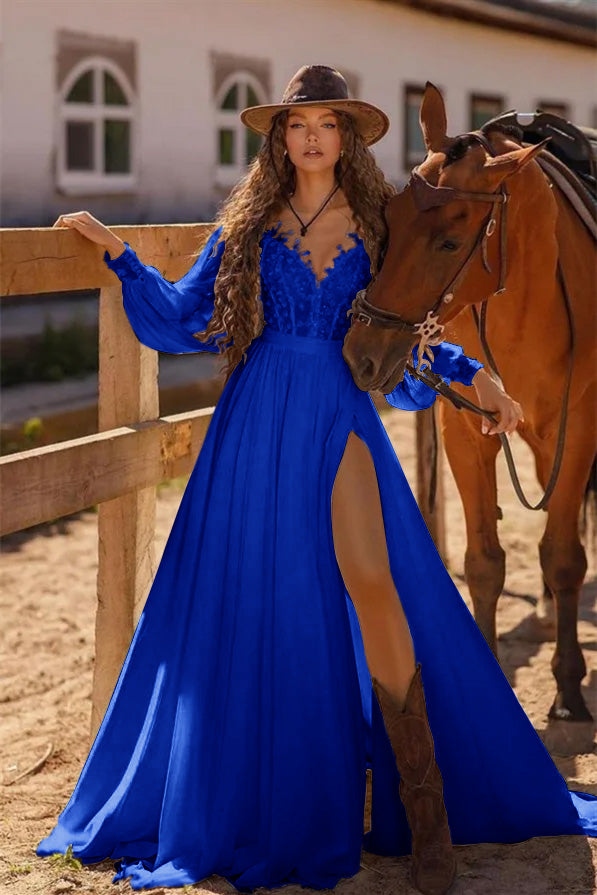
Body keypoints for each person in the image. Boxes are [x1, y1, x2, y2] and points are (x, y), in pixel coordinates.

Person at [37, 64, 596, 895]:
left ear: (347, 139)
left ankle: (424, 811)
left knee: (374, 584)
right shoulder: (249, 224)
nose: (310, 138)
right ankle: (259, 792)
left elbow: (403, 324)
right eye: (296, 125)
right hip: (256, 419)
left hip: (337, 416)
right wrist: (121, 254)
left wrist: (471, 378)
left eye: (326, 125)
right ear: (278, 138)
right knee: (254, 598)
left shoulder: (377, 225)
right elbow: (186, 317)